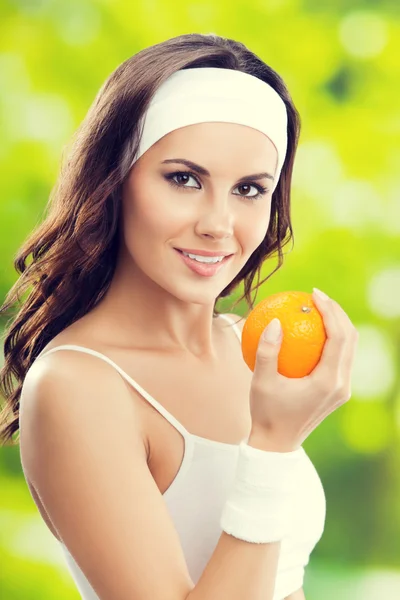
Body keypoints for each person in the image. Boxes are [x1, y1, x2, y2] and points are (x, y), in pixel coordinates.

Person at [0, 33, 358, 600]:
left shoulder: (249, 346)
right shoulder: (77, 384)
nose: (219, 223)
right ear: (114, 184)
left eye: (248, 189)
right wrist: (271, 445)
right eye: (184, 179)